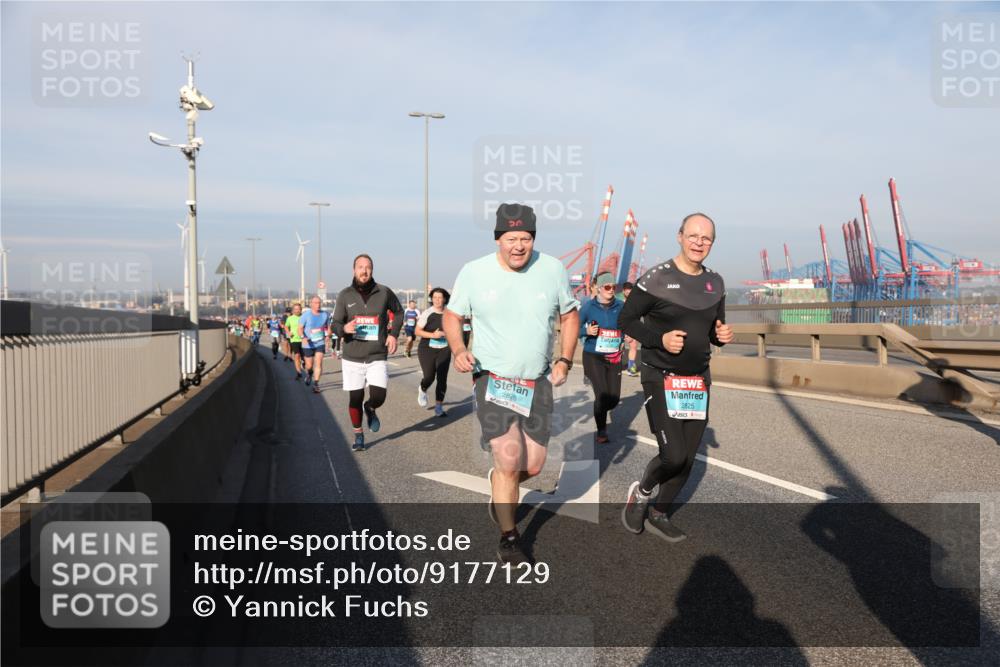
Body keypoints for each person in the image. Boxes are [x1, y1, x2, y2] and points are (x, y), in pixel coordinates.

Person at [444, 203, 579, 565]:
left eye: (525, 239)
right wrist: (458, 348)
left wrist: (565, 359)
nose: (519, 246)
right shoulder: (474, 272)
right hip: (493, 379)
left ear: (533, 239)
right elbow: (452, 315)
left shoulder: (552, 269)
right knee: (508, 458)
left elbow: (569, 315)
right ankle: (509, 537)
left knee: (532, 466)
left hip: (537, 381)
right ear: (498, 239)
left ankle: (501, 482)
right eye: (511, 238)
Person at [620, 213, 734, 542]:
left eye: (706, 238)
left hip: (697, 381)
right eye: (693, 235)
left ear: (712, 243)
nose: (699, 242)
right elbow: (626, 320)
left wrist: (721, 336)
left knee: (687, 460)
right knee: (673, 455)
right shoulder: (656, 278)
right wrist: (660, 339)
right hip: (660, 375)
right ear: (680, 236)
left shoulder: (716, 283)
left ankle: (659, 512)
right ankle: (642, 493)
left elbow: (712, 330)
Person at [331, 254, 403, 452]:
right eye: (360, 267)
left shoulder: (384, 292)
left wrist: (394, 335)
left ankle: (369, 407)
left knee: (379, 395)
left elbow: (399, 312)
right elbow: (335, 323)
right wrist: (344, 329)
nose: (364, 271)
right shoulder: (345, 295)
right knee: (355, 398)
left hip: (376, 355)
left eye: (368, 267)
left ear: (372, 270)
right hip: (352, 357)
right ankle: (358, 434)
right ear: (354, 270)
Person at [578, 272, 624, 444]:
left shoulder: (620, 306)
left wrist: (626, 336)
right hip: (593, 356)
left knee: (614, 398)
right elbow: (573, 327)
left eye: (613, 287)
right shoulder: (588, 307)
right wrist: (586, 331)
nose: (611, 290)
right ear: (598, 288)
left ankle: (601, 407)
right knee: (602, 394)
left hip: (614, 357)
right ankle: (601, 430)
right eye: (607, 287)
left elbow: (627, 325)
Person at [415, 287, 452, 418]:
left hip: (444, 348)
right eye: (434, 297)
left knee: (442, 378)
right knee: (429, 376)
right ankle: (423, 388)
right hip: (427, 349)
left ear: (445, 299)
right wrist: (433, 335)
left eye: (440, 297)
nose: (437, 300)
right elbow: (417, 331)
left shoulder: (450, 313)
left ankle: (438, 407)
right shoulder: (427, 313)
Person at [298, 297, 331, 394]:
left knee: (319, 363)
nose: (318, 304)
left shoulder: (325, 314)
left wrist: (328, 335)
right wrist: (303, 337)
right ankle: (309, 373)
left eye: (319, 302)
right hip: (308, 343)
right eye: (316, 303)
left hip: (319, 342)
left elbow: (328, 327)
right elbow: (300, 328)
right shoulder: (306, 315)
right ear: (311, 304)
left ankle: (316, 384)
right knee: (309, 365)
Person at [621, 282, 639, 376]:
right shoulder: (619, 302)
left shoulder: (635, 302)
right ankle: (616, 364)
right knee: (620, 347)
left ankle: (631, 367)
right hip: (620, 327)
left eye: (630, 291)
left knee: (633, 345)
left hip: (632, 326)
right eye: (627, 291)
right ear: (623, 291)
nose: (629, 293)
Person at [284, 302, 305, 381]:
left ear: (301, 310)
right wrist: (288, 332)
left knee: (304, 356)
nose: (297, 311)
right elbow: (286, 326)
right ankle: (298, 372)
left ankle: (303, 361)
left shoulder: (304, 317)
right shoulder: (290, 318)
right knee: (297, 355)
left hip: (303, 339)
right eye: (295, 309)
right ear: (293, 310)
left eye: (298, 309)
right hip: (294, 339)